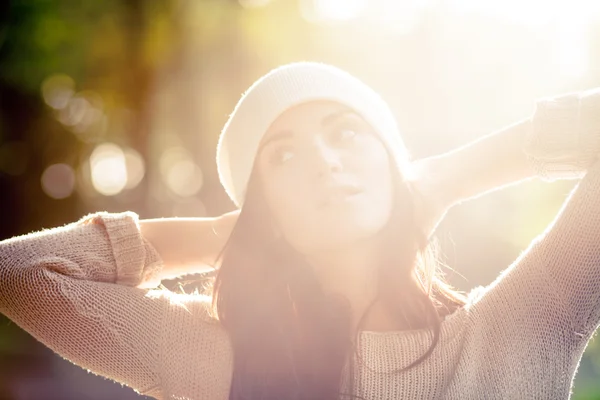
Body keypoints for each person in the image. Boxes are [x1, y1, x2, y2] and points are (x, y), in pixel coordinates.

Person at [1, 62, 599, 400]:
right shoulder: (222, 362)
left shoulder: (522, 327)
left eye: (346, 133)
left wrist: (445, 178)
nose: (323, 161)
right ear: (263, 209)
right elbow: (18, 274)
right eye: (282, 157)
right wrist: (226, 233)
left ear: (392, 163)